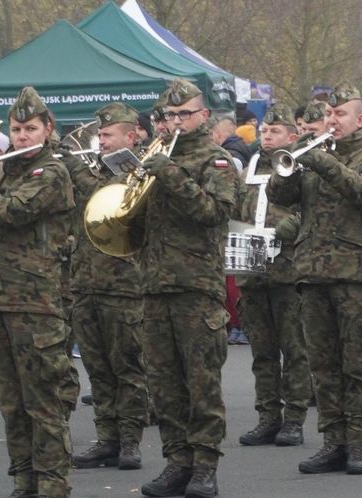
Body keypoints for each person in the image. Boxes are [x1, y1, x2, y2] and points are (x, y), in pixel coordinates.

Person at [266, 81, 362, 475]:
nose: (332, 120)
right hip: (312, 275)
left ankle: (358, 444)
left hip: (355, 276)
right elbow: (279, 197)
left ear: (360, 119)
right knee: (322, 366)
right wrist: (291, 168)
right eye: (329, 114)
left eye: (340, 114)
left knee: (356, 366)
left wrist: (321, 161)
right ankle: (332, 442)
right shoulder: (313, 156)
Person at [138, 78, 238, 498]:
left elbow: (212, 212)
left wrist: (169, 174)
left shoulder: (217, 161)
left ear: (203, 116)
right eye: (167, 115)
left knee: (202, 386)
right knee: (164, 385)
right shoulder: (155, 157)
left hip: (196, 288)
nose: (174, 122)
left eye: (183, 114)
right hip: (155, 286)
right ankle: (176, 461)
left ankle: (204, 466)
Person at [0, 86, 75, 498]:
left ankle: (52, 483)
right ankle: (24, 479)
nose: (22, 136)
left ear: (48, 129)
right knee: (11, 403)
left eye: (30, 128)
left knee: (43, 401)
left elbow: (14, 211)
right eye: (16, 129)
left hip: (37, 304)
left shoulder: (52, 172)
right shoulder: (5, 170)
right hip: (2, 301)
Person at [66, 103, 149, 472]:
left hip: (124, 286)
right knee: (98, 369)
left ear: (130, 136)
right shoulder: (93, 170)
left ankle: (130, 441)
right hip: (85, 284)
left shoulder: (141, 173)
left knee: (126, 368)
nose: (100, 142)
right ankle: (107, 439)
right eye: (99, 136)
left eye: (107, 135)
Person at [235, 104, 311, 448]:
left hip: (289, 268)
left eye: (275, 131)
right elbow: (237, 209)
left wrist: (286, 229)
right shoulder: (249, 166)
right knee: (262, 351)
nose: (267, 136)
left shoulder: (302, 165)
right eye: (264, 131)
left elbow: (311, 212)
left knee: (294, 349)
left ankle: (294, 418)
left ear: (292, 136)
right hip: (252, 269)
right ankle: (268, 416)